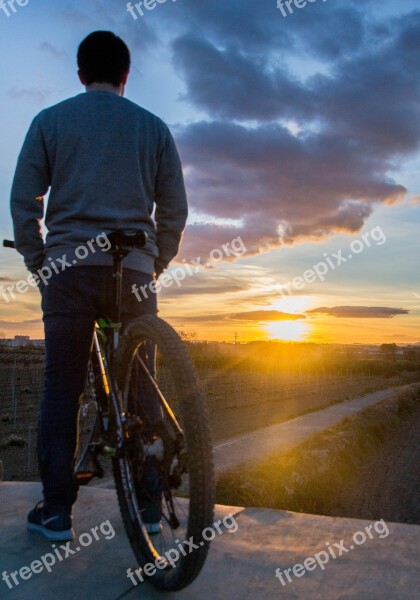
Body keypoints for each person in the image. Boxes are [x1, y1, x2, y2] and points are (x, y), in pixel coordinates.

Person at [10, 31, 188, 541]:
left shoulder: (50, 122)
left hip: (67, 267)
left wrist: (37, 258)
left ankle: (57, 513)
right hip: (131, 269)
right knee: (141, 387)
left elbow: (25, 199)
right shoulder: (153, 128)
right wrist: (156, 262)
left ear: (81, 73)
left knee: (61, 388)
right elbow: (174, 207)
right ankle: (151, 506)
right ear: (126, 76)